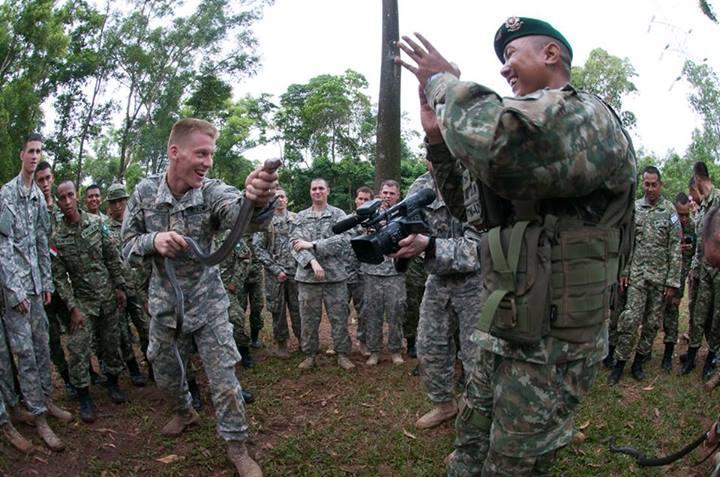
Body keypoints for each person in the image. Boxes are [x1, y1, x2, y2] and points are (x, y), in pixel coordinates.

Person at [396, 17, 636, 475]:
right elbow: (473, 208)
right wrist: (436, 139)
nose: (504, 69)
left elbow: (502, 149)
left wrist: (445, 84)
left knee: (514, 462)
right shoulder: (530, 125)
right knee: (471, 441)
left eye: (511, 55)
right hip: (506, 324)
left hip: (554, 344)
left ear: (551, 54)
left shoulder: (586, 118)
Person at [122, 118, 275, 476]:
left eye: (212, 155)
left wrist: (256, 201)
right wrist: (153, 241)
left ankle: (237, 447)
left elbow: (239, 214)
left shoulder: (211, 191)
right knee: (165, 372)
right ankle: (184, 411)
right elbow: (126, 248)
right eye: (201, 153)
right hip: (164, 308)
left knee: (224, 380)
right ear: (175, 152)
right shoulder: (144, 193)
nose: (208, 162)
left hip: (208, 306)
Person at [0, 133, 72, 452]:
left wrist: (46, 283)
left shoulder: (37, 201)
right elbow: (2, 248)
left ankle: (46, 399)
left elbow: (44, 243)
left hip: (36, 289)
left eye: (39, 151)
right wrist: (16, 292)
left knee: (42, 347)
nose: (34, 155)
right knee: (25, 354)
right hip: (15, 293)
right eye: (30, 150)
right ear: (21, 155)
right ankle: (38, 416)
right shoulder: (6, 195)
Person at [401, 166, 484, 430]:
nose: (432, 156)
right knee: (430, 346)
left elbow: (480, 248)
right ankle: (444, 404)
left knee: (477, 355)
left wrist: (430, 246)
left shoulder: (477, 183)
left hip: (476, 282)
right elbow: (407, 227)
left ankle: (478, 416)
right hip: (438, 280)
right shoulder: (420, 187)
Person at [52, 180, 129, 423]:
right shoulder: (57, 237)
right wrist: (72, 307)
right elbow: (59, 277)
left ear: (77, 197)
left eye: (70, 196)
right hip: (83, 302)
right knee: (77, 347)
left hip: (107, 295)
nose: (66, 202)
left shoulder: (99, 224)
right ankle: (84, 397)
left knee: (111, 343)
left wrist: (119, 286)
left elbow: (111, 256)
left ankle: (114, 384)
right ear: (57, 202)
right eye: (61, 198)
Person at [608, 166, 681, 385]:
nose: (649, 188)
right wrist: (625, 270)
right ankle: (619, 364)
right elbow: (628, 244)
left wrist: (672, 282)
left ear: (661, 185)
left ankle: (638, 363)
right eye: (646, 184)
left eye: (653, 184)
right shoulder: (635, 209)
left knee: (650, 325)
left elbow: (675, 247)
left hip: (659, 279)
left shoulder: (670, 212)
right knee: (629, 319)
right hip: (637, 276)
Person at [291, 178, 354, 371]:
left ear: (328, 190)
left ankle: (342, 354)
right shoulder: (300, 216)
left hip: (335, 277)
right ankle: (310, 355)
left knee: (339, 317)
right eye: (314, 188)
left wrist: (314, 245)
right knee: (308, 319)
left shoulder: (338, 214)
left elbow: (346, 239)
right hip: (308, 278)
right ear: (310, 192)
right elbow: (294, 243)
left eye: (321, 188)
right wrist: (312, 261)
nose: (317, 191)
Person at [34, 160, 76, 398]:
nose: (45, 183)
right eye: (40, 180)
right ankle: (67, 379)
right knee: (52, 339)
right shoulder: (31, 211)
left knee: (76, 329)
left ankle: (86, 372)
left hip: (65, 283)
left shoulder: (63, 210)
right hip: (43, 287)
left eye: (48, 178)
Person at [105, 183, 150, 386]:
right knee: (123, 333)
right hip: (119, 291)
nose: (117, 206)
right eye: (113, 202)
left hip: (140, 288)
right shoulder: (104, 228)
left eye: (121, 201)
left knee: (146, 328)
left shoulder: (139, 224)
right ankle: (133, 369)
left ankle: (153, 365)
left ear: (126, 201)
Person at [360, 180, 407, 366]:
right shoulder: (369, 214)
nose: (387, 196)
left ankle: (395, 350)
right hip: (372, 272)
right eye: (385, 192)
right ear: (380, 193)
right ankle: (374, 351)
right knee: (373, 313)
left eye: (392, 193)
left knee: (396, 312)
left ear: (398, 195)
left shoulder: (404, 215)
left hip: (395, 273)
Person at [252, 186, 301, 358]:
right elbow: (258, 249)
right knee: (277, 311)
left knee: (298, 308)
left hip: (296, 273)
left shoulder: (296, 219)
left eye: (282, 197)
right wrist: (275, 269)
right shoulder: (265, 221)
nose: (279, 200)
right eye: (275, 197)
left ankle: (303, 341)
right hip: (275, 276)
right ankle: (282, 344)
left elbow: (303, 243)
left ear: (287, 199)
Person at [682, 161, 720, 379]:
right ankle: (693, 353)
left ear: (696, 179)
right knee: (699, 312)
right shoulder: (704, 204)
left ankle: (711, 359)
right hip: (703, 268)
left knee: (716, 316)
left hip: (718, 269)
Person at [660, 192, 696, 372]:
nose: (683, 218)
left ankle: (667, 355)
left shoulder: (692, 228)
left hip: (676, 283)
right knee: (652, 318)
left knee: (672, 318)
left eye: (686, 214)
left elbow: (690, 261)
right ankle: (642, 354)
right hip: (658, 279)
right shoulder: (668, 222)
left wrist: (679, 291)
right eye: (680, 214)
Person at [345, 186, 373, 356]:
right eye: (360, 199)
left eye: (366, 200)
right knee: (340, 310)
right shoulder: (346, 220)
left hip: (364, 273)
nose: (363, 202)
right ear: (356, 200)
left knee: (363, 310)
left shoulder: (375, 222)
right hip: (344, 272)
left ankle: (363, 342)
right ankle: (338, 342)